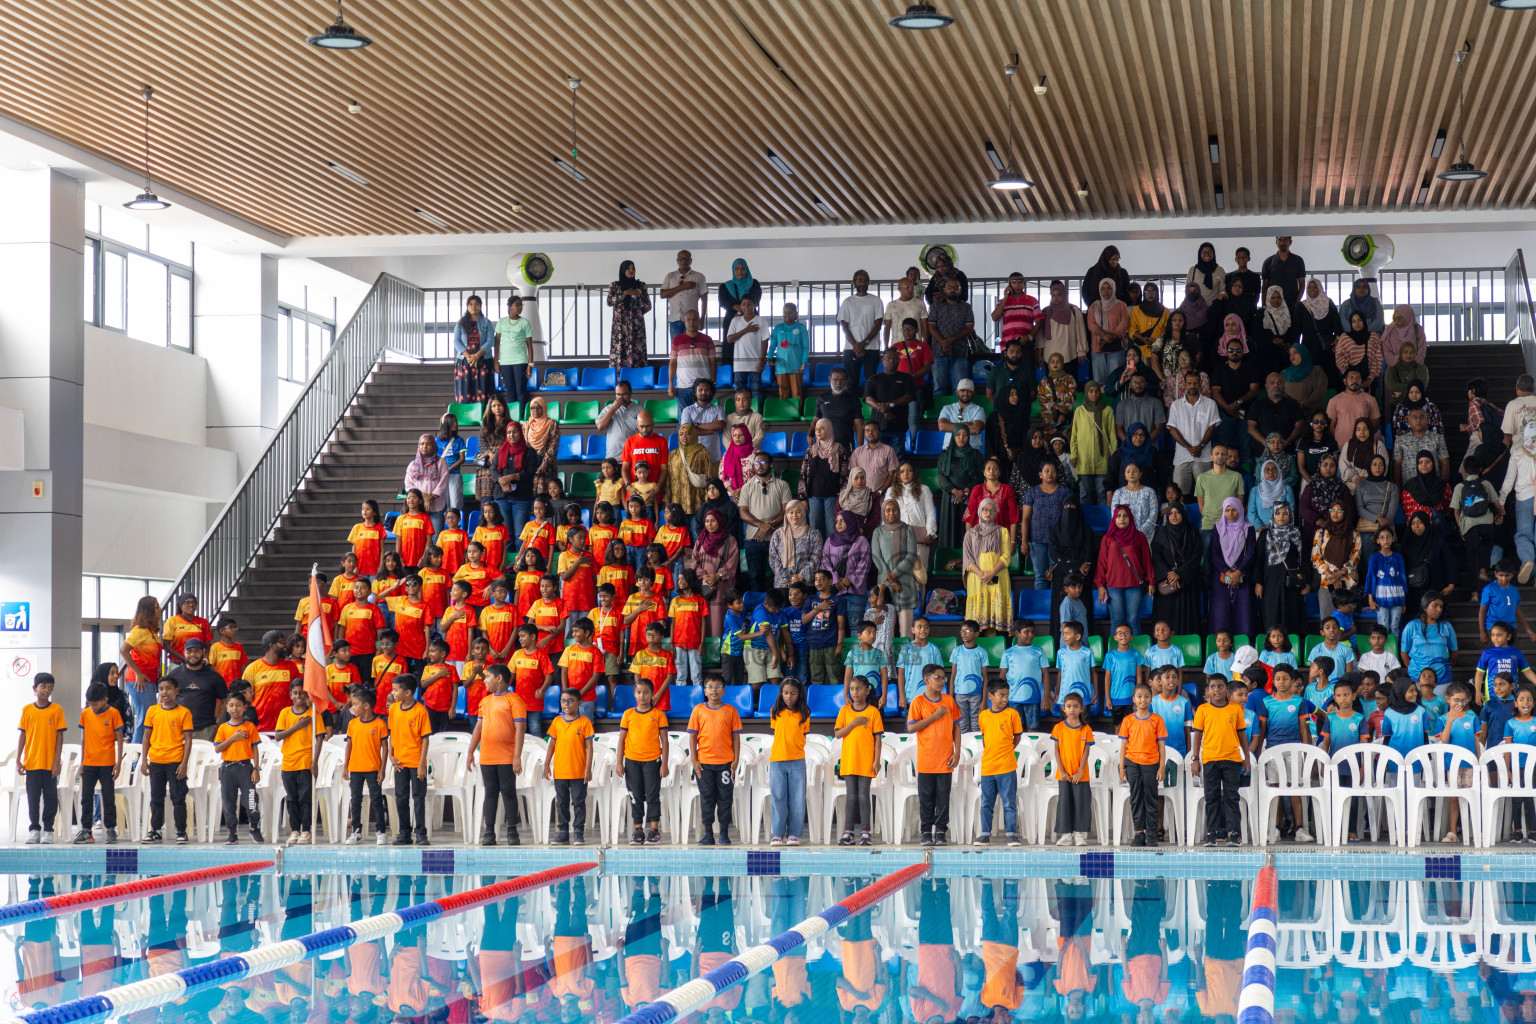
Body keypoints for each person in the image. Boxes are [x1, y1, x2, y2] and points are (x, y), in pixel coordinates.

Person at [906, 665, 963, 846]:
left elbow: (956, 727)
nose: (942, 681)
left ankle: (940, 831)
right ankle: (925, 832)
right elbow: (911, 727)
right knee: (926, 798)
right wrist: (934, 716)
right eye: (938, 678)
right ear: (926, 680)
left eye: (943, 678)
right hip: (926, 760)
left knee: (943, 798)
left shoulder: (949, 701)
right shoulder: (918, 702)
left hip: (945, 758)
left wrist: (957, 751)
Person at [1192, 674, 1248, 846]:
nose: (1217, 690)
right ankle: (1212, 833)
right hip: (1209, 759)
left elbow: (1241, 734)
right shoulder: (1203, 710)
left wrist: (1246, 757)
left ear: (1227, 690)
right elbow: (1197, 736)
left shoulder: (1235, 709)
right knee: (1211, 797)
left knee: (1232, 796)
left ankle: (1235, 834)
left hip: (1232, 759)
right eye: (1213, 687)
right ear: (1208, 690)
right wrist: (1195, 759)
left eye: (1220, 686)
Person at [689, 675, 742, 845]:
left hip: (726, 763)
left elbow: (736, 738)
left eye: (718, 686)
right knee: (707, 798)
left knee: (725, 798)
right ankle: (709, 833)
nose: (714, 689)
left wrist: (735, 759)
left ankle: (724, 833)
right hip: (704, 764)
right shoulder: (698, 710)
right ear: (704, 691)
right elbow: (693, 737)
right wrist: (694, 760)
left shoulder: (731, 711)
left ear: (724, 690)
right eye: (710, 686)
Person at [615, 676, 667, 846]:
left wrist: (664, 764)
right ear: (634, 694)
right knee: (635, 796)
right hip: (632, 762)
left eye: (646, 692)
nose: (642, 695)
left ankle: (653, 831)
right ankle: (638, 830)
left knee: (652, 796)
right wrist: (619, 763)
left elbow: (664, 741)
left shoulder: (658, 714)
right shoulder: (628, 714)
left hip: (652, 761)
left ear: (652, 694)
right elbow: (621, 740)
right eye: (639, 692)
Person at [140, 677, 194, 844]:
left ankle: (181, 831)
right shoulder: (152, 711)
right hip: (156, 760)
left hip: (175, 761)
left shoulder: (183, 712)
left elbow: (188, 739)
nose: (165, 692)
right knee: (156, 797)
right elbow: (146, 736)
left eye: (168, 688)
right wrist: (144, 760)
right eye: (161, 689)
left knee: (178, 798)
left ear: (176, 690)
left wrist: (184, 763)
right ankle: (155, 830)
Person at [17, 674, 66, 844]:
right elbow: (22, 735)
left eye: (50, 687)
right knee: (33, 798)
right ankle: (34, 829)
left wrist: (56, 761)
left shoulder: (56, 710)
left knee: (51, 798)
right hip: (32, 763)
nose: (47, 690)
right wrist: (18, 759)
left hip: (49, 764)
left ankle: (48, 830)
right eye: (43, 686)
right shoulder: (27, 710)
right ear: (35, 689)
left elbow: (60, 737)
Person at [543, 689, 596, 845]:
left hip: (579, 771)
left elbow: (589, 748)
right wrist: (546, 764)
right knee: (561, 802)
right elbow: (551, 745)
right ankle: (563, 833)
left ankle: (578, 832)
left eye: (570, 700)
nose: (566, 704)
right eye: (563, 700)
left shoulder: (585, 722)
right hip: (560, 771)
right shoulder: (557, 722)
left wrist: (588, 768)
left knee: (578, 803)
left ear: (579, 703)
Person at [1119, 683, 1168, 848]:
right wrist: (1121, 768)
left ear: (1151, 698)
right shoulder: (1128, 720)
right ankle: (1139, 833)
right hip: (1132, 763)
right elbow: (1123, 747)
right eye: (1139, 696)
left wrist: (1161, 767)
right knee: (1136, 798)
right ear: (1134, 699)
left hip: (1151, 763)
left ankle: (1152, 834)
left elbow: (1161, 747)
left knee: (1151, 798)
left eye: (1146, 696)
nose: (1143, 699)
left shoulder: (1157, 720)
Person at [212, 692, 264, 845]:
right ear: (227, 708)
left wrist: (256, 768)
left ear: (244, 707)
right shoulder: (223, 728)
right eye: (232, 705)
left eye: (239, 705)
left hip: (245, 768)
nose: (235, 708)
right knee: (229, 802)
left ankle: (254, 828)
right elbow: (217, 748)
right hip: (228, 769)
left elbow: (255, 749)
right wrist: (233, 738)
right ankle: (232, 832)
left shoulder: (249, 727)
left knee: (251, 800)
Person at [1095, 504, 1154, 635]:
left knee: (1133, 620)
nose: (1122, 519)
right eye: (1118, 516)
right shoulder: (1108, 538)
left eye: (1125, 516)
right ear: (1114, 519)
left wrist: (1151, 581)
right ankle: (1115, 654)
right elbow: (1101, 563)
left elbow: (1147, 561)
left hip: (1134, 585)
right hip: (1113, 586)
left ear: (1131, 518)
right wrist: (1100, 585)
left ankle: (1136, 653)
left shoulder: (1139, 537)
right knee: (1117, 621)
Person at [1150, 502, 1203, 634]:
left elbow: (1196, 556)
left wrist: (1179, 573)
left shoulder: (1192, 532)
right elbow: (1156, 556)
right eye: (1171, 513)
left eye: (1177, 512)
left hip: (1187, 584)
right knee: (1167, 619)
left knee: (1187, 620)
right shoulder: (1161, 532)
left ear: (1183, 514)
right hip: (1167, 584)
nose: (1174, 516)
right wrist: (1169, 574)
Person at [1256, 501, 1308, 636]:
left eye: (1285, 513)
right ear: (1273, 515)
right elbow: (1258, 560)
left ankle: (1291, 648)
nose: (1281, 517)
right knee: (1272, 616)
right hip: (1270, 583)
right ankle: (1272, 648)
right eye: (1278, 513)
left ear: (1290, 515)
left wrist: (1306, 581)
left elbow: (1304, 559)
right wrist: (1258, 582)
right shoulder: (1265, 534)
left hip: (1292, 583)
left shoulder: (1298, 533)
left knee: (1292, 617)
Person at [963, 498, 1013, 635]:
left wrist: (991, 574)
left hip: (997, 577)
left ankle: (991, 650)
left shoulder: (1003, 531)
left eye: (992, 510)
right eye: (985, 509)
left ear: (996, 513)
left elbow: (1006, 556)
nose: (988, 513)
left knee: (991, 624)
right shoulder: (970, 534)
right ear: (979, 511)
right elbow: (967, 560)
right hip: (976, 579)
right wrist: (981, 574)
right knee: (975, 624)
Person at [1051, 693, 1095, 846]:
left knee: (1081, 803)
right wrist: (1062, 771)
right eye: (1069, 706)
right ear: (1063, 708)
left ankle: (1079, 834)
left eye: (1075, 707)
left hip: (1080, 775)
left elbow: (1086, 752)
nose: (1072, 710)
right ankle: (1066, 834)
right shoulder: (1058, 728)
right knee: (1064, 802)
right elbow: (1056, 751)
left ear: (1081, 709)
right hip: (1064, 774)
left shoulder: (1086, 729)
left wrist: (1080, 771)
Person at [1168, 371, 1221, 495]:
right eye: (1189, 383)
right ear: (1185, 384)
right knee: (1179, 495)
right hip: (1182, 457)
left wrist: (1201, 446)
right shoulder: (1176, 405)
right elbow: (1172, 429)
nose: (1192, 386)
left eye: (1195, 383)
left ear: (1200, 384)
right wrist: (1189, 448)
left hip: (1203, 456)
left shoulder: (1210, 404)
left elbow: (1211, 428)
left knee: (1206, 494)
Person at [872, 499, 919, 635]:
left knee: (906, 633)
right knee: (887, 633)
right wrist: (891, 580)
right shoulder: (878, 533)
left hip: (905, 584)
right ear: (883, 513)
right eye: (888, 510)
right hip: (885, 587)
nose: (891, 513)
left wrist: (894, 574)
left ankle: (905, 657)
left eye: (894, 509)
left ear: (899, 511)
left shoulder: (907, 529)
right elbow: (877, 558)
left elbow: (911, 556)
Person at [1209, 497, 1255, 636]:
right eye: (1227, 510)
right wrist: (1227, 571)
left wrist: (1238, 571)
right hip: (1222, 578)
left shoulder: (1248, 528)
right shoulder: (1218, 528)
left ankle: (1245, 650)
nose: (1230, 513)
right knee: (1220, 616)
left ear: (1240, 510)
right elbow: (1213, 553)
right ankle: (1221, 649)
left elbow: (1251, 552)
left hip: (1243, 576)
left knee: (1244, 615)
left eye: (1234, 510)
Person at [166, 638, 227, 742]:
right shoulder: (174, 675)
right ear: (184, 652)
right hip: (178, 729)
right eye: (189, 651)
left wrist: (217, 724)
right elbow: (164, 700)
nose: (193, 654)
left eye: (197, 651)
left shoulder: (214, 676)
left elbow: (223, 700)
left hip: (206, 730)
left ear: (203, 652)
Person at [821, 510, 873, 631]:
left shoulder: (861, 541)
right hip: (836, 591)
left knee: (856, 628)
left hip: (855, 593)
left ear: (850, 522)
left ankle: (856, 651)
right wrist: (835, 580)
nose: (838, 524)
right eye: (837, 521)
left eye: (842, 521)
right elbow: (825, 562)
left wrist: (850, 579)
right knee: (836, 628)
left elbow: (865, 563)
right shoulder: (830, 541)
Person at [1455, 454, 1504, 581]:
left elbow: (1456, 511)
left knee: (1471, 554)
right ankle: (1483, 571)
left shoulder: (1459, 487)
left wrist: (1461, 528)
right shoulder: (1486, 483)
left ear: (1464, 471)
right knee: (1486, 546)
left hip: (1469, 525)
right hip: (1486, 522)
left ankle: (1474, 592)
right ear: (1481, 469)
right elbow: (1497, 504)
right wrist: (1501, 513)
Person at [1210, 335, 1262, 453]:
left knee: (1246, 448)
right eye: (1231, 350)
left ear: (1243, 352)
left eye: (1238, 350)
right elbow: (1215, 392)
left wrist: (1238, 403)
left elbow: (1253, 391)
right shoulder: (1219, 370)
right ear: (1226, 352)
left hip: (1246, 414)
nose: (1234, 352)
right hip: (1224, 414)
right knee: (1224, 448)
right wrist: (1228, 408)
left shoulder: (1251, 369)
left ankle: (1246, 471)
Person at [1312, 500, 1361, 621]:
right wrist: (1331, 575)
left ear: (1345, 513)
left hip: (1347, 583)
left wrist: (1340, 573)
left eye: (1339, 511)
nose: (1335, 513)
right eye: (1332, 510)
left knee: (1346, 623)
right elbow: (1316, 557)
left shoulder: (1354, 534)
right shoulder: (1321, 532)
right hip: (1327, 582)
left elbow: (1355, 558)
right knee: (1327, 622)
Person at [1070, 379, 1117, 504]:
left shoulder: (1107, 410)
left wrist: (1114, 456)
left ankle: (1102, 522)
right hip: (1084, 458)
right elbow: (1074, 435)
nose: (1094, 394)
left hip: (1102, 458)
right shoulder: (1080, 411)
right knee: (1084, 493)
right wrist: (1073, 454)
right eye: (1090, 391)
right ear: (1086, 393)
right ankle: (1085, 521)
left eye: (1097, 391)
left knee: (1102, 492)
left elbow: (1112, 435)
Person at [935, 425, 982, 549]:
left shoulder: (975, 454)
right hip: (950, 497)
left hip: (970, 497)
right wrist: (955, 491)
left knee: (967, 531)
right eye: (958, 434)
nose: (962, 438)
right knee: (950, 529)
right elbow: (941, 476)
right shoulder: (945, 455)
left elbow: (979, 477)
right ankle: (948, 562)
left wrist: (966, 491)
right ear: (954, 436)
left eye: (965, 434)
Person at [927, 275, 975, 394]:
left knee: (959, 389)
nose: (952, 289)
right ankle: (939, 413)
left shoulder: (966, 307)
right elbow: (931, 326)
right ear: (944, 289)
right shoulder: (936, 306)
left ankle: (958, 413)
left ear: (960, 290)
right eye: (949, 287)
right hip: (938, 352)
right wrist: (944, 342)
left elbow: (969, 328)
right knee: (939, 388)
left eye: (956, 287)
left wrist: (949, 341)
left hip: (959, 352)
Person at [836, 269, 885, 386]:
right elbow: (844, 325)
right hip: (851, 348)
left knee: (872, 382)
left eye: (865, 281)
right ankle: (853, 405)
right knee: (851, 383)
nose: (863, 283)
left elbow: (878, 324)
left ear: (868, 282)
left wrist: (863, 344)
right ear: (854, 282)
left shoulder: (876, 300)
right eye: (860, 280)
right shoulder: (848, 302)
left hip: (871, 347)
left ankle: (871, 404)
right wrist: (856, 346)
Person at [1401, 593, 1459, 691]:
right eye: (1435, 606)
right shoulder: (1412, 626)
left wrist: (1444, 666)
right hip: (1417, 675)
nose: (1439, 609)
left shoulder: (1446, 626)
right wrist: (1414, 669)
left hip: (1442, 675)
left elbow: (1454, 652)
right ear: (1425, 607)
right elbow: (1404, 653)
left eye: (1441, 606)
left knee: (1441, 705)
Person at [865, 348, 917, 449]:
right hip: (878, 427)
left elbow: (908, 397)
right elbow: (868, 399)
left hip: (899, 425)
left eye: (895, 358)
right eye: (888, 358)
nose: (891, 361)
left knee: (898, 458)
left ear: (899, 360)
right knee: (877, 458)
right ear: (882, 360)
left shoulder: (906, 378)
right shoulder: (873, 378)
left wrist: (890, 405)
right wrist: (883, 409)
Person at [453, 294, 498, 405]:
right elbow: (456, 341)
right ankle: (466, 417)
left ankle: (484, 418)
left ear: (480, 306)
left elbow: (490, 341)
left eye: (476, 304)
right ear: (467, 307)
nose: (474, 306)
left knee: (484, 390)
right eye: (471, 304)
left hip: (483, 361)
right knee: (465, 391)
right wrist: (469, 356)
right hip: (465, 362)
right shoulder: (460, 323)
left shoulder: (487, 323)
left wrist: (477, 356)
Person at [606, 260, 652, 368]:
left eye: (633, 268)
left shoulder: (640, 286)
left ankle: (638, 378)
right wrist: (625, 293)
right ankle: (620, 379)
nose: (631, 271)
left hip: (636, 325)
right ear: (623, 270)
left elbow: (648, 305)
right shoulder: (615, 286)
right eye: (628, 268)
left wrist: (637, 314)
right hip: (620, 325)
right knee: (620, 348)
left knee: (637, 349)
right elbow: (609, 301)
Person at [717, 258, 761, 367]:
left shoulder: (754, 284)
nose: (739, 271)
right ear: (733, 270)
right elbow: (723, 302)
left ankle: (754, 371)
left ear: (746, 270)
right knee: (730, 344)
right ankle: (730, 375)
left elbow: (756, 299)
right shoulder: (725, 286)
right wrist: (736, 308)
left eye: (742, 268)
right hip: (731, 319)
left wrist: (743, 311)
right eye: (737, 269)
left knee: (751, 343)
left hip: (751, 318)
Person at [1297, 278, 1344, 379]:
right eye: (1309, 287)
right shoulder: (1302, 306)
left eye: (1315, 287)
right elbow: (1297, 328)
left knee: (1329, 374)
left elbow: (1337, 325)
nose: (1312, 289)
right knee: (1311, 375)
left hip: (1327, 346)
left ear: (1320, 288)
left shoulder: (1328, 303)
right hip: (1309, 346)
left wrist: (1337, 339)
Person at [1088, 276, 1130, 386]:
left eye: (1109, 288)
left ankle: (1115, 402)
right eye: (1103, 288)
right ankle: (1101, 402)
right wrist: (1104, 335)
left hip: (1116, 348)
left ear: (1114, 289)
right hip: (1098, 348)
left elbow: (1124, 323)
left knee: (1116, 378)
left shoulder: (1121, 305)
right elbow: (1091, 325)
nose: (1106, 291)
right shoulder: (1094, 306)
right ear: (1099, 290)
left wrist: (1110, 337)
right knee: (1099, 380)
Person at [725, 297, 766, 408]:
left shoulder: (761, 320)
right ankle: (740, 418)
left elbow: (765, 342)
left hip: (755, 365)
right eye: (744, 304)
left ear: (754, 305)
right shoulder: (736, 320)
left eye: (749, 304)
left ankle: (757, 417)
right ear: (741, 306)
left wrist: (762, 361)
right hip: (739, 365)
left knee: (756, 392)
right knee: (739, 393)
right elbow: (729, 339)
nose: (746, 307)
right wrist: (746, 330)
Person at [659, 248, 706, 339]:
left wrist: (702, 319)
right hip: (674, 319)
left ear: (691, 261)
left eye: (686, 259)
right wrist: (682, 287)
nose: (683, 261)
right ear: (677, 261)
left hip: (692, 320)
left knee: (691, 349)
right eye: (681, 259)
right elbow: (662, 294)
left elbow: (704, 299)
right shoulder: (670, 276)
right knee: (677, 349)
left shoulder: (699, 276)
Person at [768, 302, 810, 400]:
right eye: (785, 312)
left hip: (796, 366)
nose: (787, 315)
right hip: (781, 366)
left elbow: (805, 347)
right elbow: (772, 345)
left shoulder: (801, 328)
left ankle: (797, 414)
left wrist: (804, 362)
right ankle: (784, 415)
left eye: (790, 313)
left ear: (796, 313)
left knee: (797, 394)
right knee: (783, 394)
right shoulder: (778, 328)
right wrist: (769, 357)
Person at [1334, 313, 1384, 390]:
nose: (1357, 324)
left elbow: (1377, 359)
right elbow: (1339, 357)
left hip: (1369, 381)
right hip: (1349, 380)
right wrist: (1349, 376)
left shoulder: (1373, 337)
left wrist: (1370, 378)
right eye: (1353, 321)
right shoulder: (1344, 338)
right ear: (1350, 323)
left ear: (1364, 321)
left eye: (1359, 320)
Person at [1403, 451, 1452, 526]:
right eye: (1420, 462)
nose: (1424, 465)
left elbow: (1448, 510)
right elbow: (1407, 513)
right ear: (1417, 465)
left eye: (1427, 462)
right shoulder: (1409, 487)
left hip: (1439, 530)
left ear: (1433, 463)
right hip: (1417, 532)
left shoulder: (1443, 485)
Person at [1247, 457, 1295, 530]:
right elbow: (1251, 513)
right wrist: (1259, 527)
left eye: (1274, 469)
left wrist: (1273, 526)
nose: (1270, 472)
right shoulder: (1255, 490)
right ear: (1262, 472)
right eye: (1267, 470)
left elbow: (1290, 511)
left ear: (1278, 471)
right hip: (1260, 530)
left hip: (1281, 529)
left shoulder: (1286, 489)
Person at [1037, 351, 1078, 432]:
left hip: (1065, 417)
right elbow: (1042, 399)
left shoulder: (1069, 379)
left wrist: (1063, 413)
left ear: (1062, 363)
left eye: (1058, 361)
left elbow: (1072, 396)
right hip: (1048, 419)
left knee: (1065, 441)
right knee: (1049, 442)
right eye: (1052, 362)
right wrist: (1057, 407)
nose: (1055, 364)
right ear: (1048, 364)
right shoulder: (1043, 381)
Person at [1261, 236, 1307, 305]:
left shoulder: (1298, 260)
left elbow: (1302, 285)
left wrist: (1297, 303)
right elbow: (1265, 286)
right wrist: (1264, 305)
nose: (1282, 242)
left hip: (1291, 304)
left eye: (1285, 240)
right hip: (1273, 305)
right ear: (1276, 242)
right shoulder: (1268, 262)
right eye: (1280, 240)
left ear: (1290, 242)